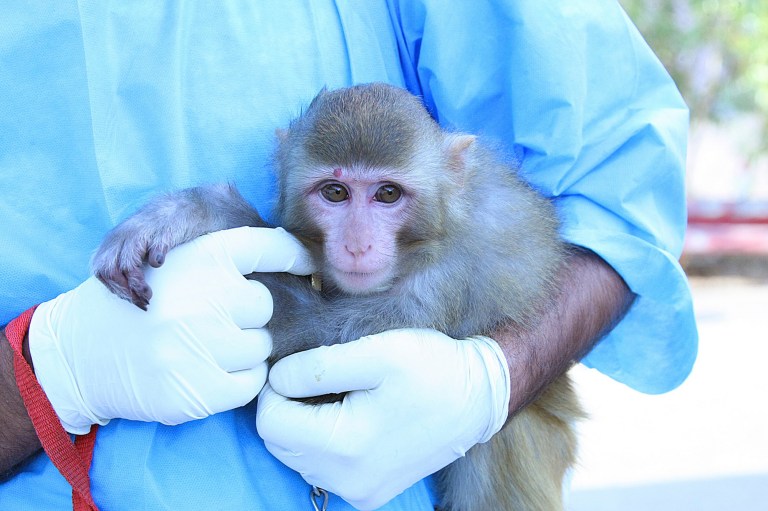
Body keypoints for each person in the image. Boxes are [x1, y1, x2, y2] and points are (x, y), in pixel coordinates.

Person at [0, 1, 697, 510]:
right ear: (284, 163)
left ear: (455, 173)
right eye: (334, 193)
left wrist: (493, 379)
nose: (361, 238)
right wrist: (52, 371)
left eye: (388, 195)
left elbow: (621, 196)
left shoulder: (463, 238)